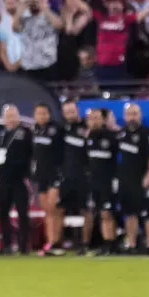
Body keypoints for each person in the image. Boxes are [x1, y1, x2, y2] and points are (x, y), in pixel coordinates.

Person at [116, 103, 149, 253]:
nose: (132, 117)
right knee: (130, 213)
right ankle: (132, 244)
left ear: (140, 115)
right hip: (126, 179)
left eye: (135, 114)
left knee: (148, 212)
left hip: (142, 178)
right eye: (129, 114)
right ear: (124, 116)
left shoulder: (148, 133)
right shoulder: (121, 134)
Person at [0, 104, 34, 254]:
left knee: (22, 213)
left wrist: (28, 174)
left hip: (19, 179)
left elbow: (31, 153)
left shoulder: (26, 132)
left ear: (18, 116)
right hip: (3, 179)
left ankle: (24, 246)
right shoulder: (1, 133)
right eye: (8, 116)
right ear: (4, 118)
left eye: (13, 115)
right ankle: (6, 245)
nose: (11, 118)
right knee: (3, 213)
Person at [55, 99, 89, 254]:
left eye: (72, 111)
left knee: (83, 210)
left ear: (77, 111)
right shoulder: (60, 129)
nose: (70, 114)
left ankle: (83, 243)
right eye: (67, 112)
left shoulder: (87, 128)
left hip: (84, 176)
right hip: (65, 176)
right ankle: (61, 243)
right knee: (63, 210)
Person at [84, 109, 118, 256]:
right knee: (94, 213)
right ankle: (103, 244)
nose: (93, 121)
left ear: (103, 120)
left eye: (96, 118)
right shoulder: (88, 137)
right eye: (91, 118)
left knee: (107, 214)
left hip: (107, 181)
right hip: (92, 182)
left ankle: (111, 243)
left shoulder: (111, 137)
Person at [31, 103, 63, 254]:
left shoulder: (56, 130)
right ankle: (50, 242)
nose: (42, 116)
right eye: (39, 113)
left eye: (44, 113)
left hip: (55, 174)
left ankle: (55, 242)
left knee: (53, 208)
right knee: (46, 210)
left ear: (49, 114)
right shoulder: (34, 130)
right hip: (41, 174)